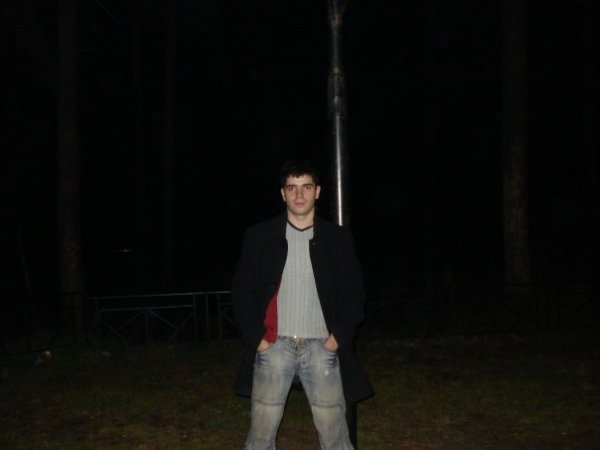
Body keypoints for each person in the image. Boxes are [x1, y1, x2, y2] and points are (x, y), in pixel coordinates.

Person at [232, 160, 373, 450]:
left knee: (335, 435)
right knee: (260, 436)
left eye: (306, 187)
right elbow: (242, 292)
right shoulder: (259, 237)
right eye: (292, 188)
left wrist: (337, 338)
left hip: (322, 348)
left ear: (317, 191)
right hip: (273, 347)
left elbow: (355, 294)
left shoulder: (337, 239)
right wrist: (258, 339)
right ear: (282, 193)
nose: (299, 195)